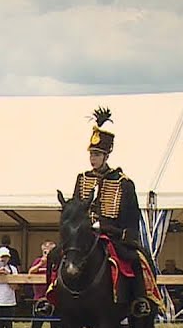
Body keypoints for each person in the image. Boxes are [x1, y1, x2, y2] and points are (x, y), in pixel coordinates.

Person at [62, 106, 162, 316]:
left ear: (106, 156)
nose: (93, 159)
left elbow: (130, 219)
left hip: (113, 236)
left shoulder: (123, 183)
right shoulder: (82, 179)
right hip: (85, 236)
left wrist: (112, 230)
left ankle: (140, 301)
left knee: (135, 259)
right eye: (91, 154)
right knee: (57, 257)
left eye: (97, 155)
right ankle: (52, 299)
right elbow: (75, 211)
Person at [27, 240, 60, 328]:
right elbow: (30, 273)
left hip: (54, 297)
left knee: (55, 324)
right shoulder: (38, 261)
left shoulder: (57, 263)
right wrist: (41, 264)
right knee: (37, 323)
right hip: (39, 297)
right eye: (46, 252)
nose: (48, 255)